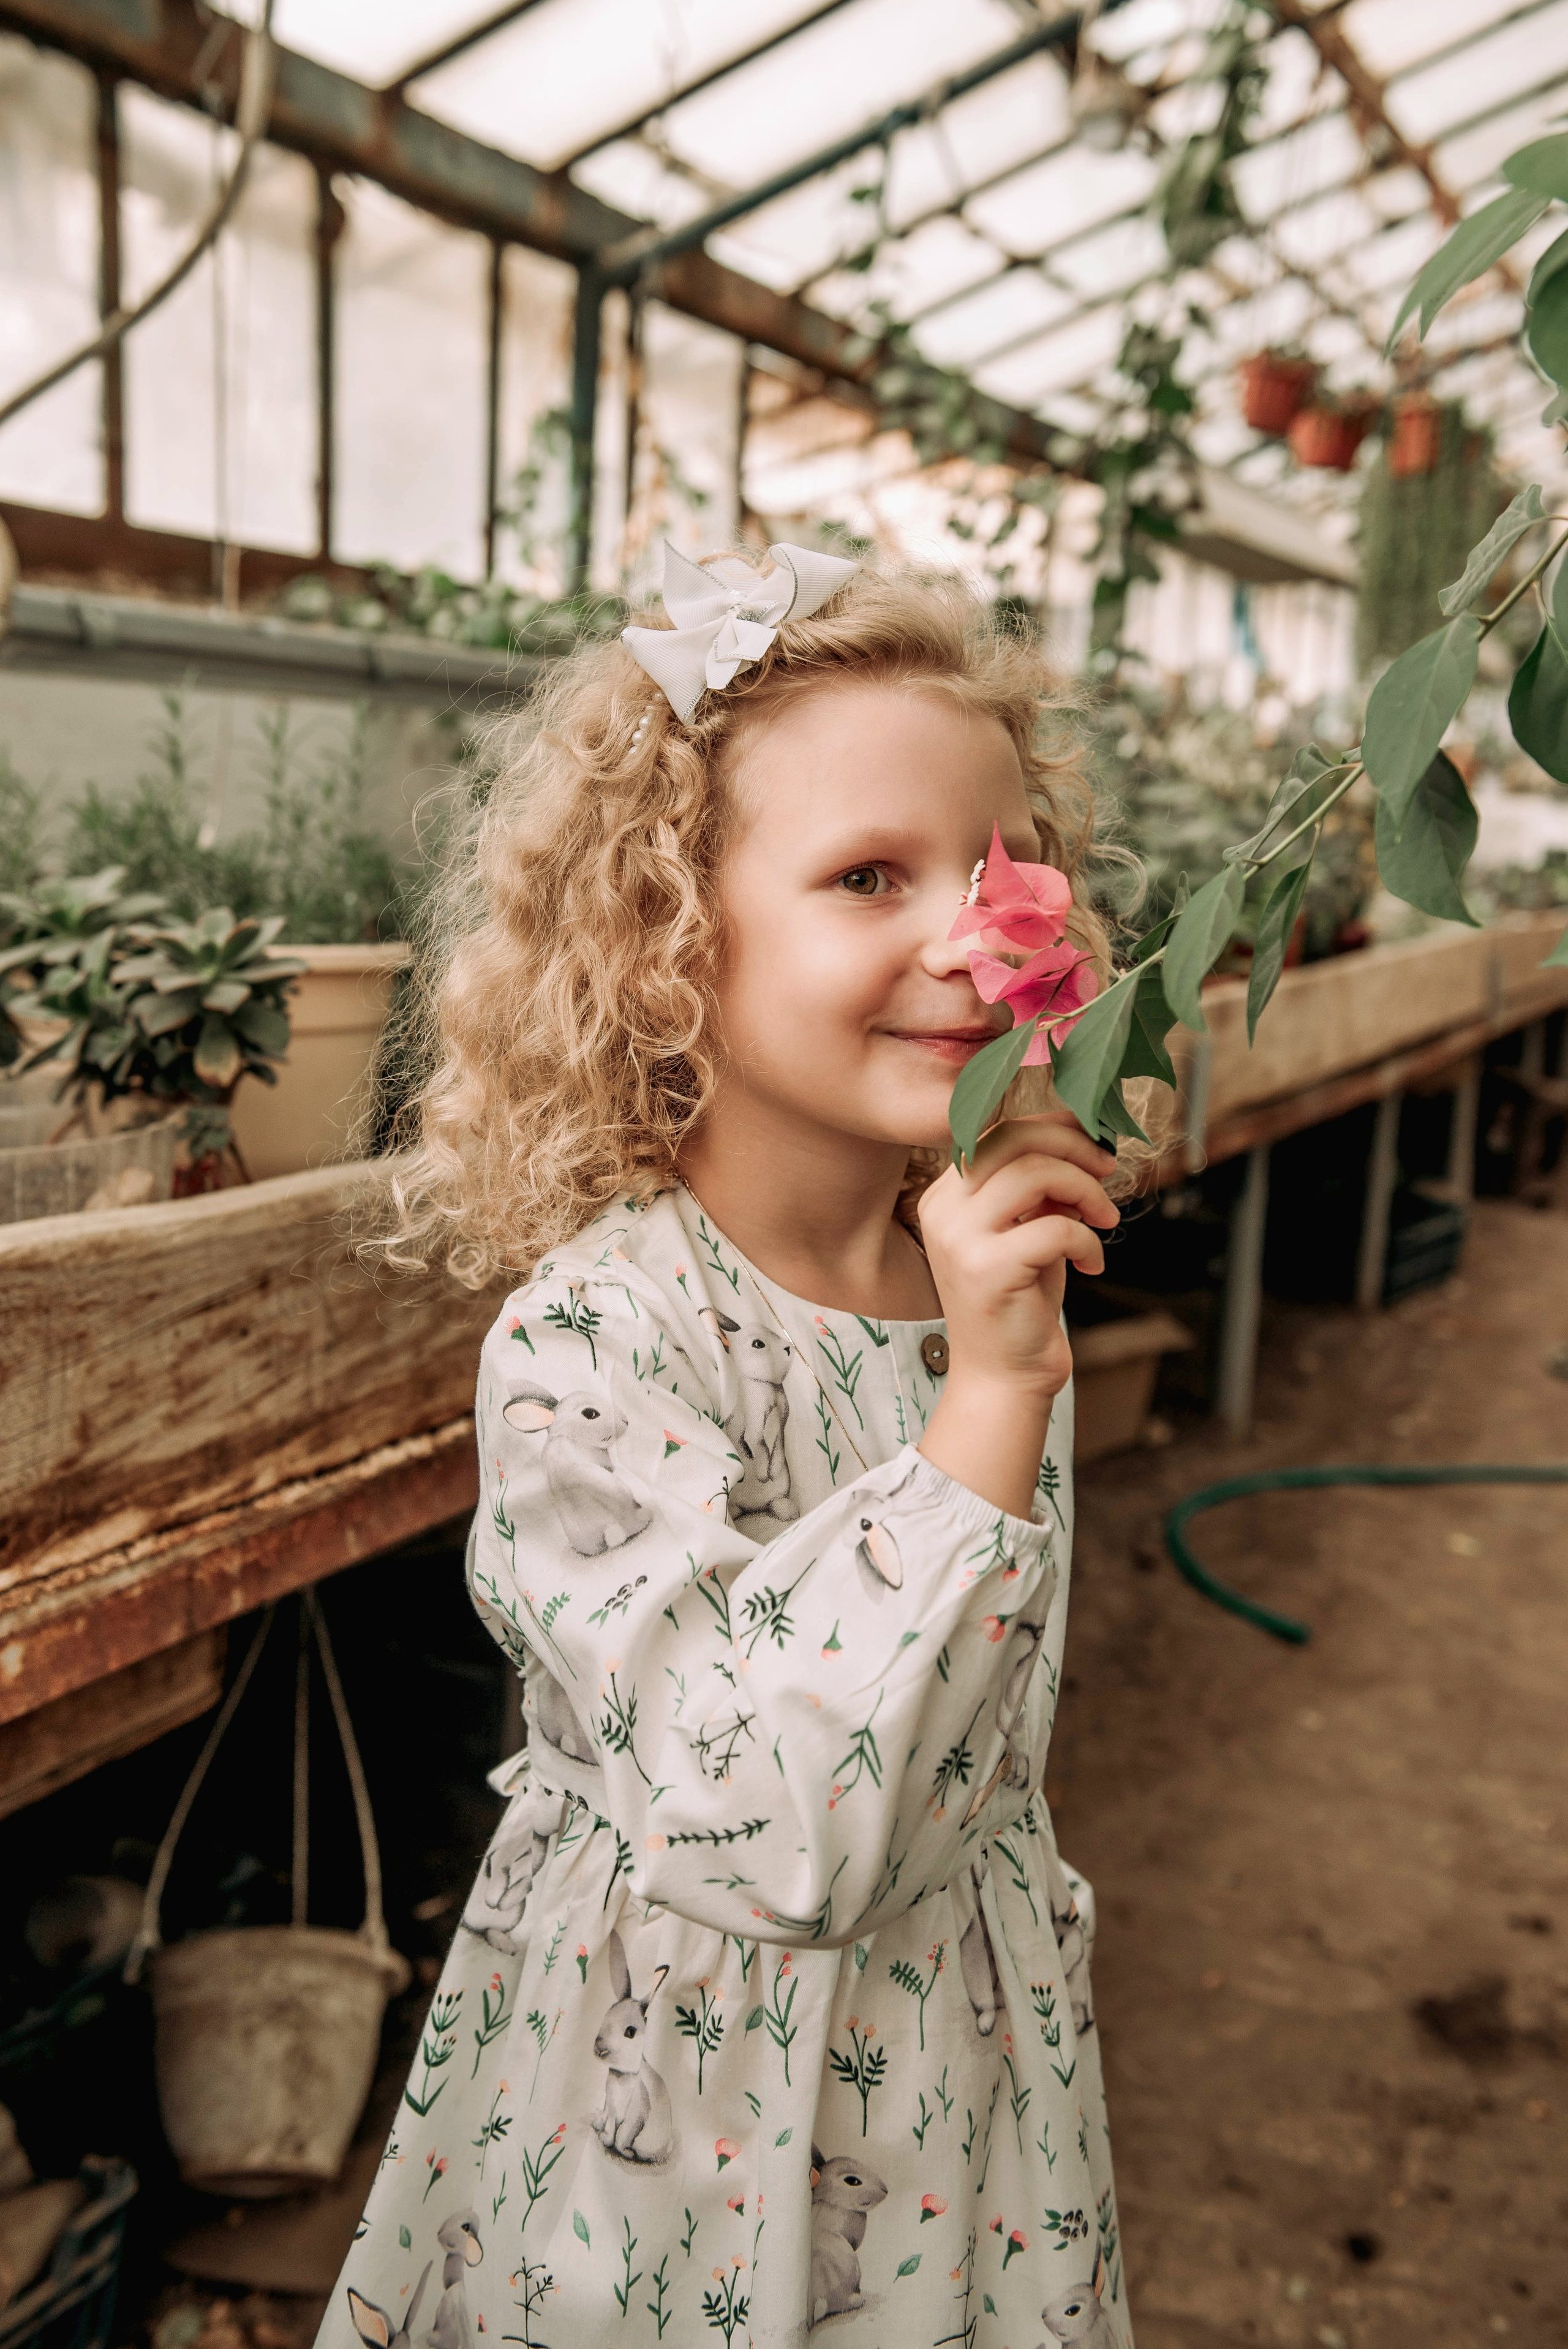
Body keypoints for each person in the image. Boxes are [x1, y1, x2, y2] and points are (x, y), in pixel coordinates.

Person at [326, 544, 1134, 2349]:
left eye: (1003, 870)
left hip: (951, 2082)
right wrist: (991, 1406)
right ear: (667, 939)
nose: (967, 930)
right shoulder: (600, 1341)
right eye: (869, 874)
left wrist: (991, 1355)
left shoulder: (970, 1280)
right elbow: (777, 1839)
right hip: (677, 2133)